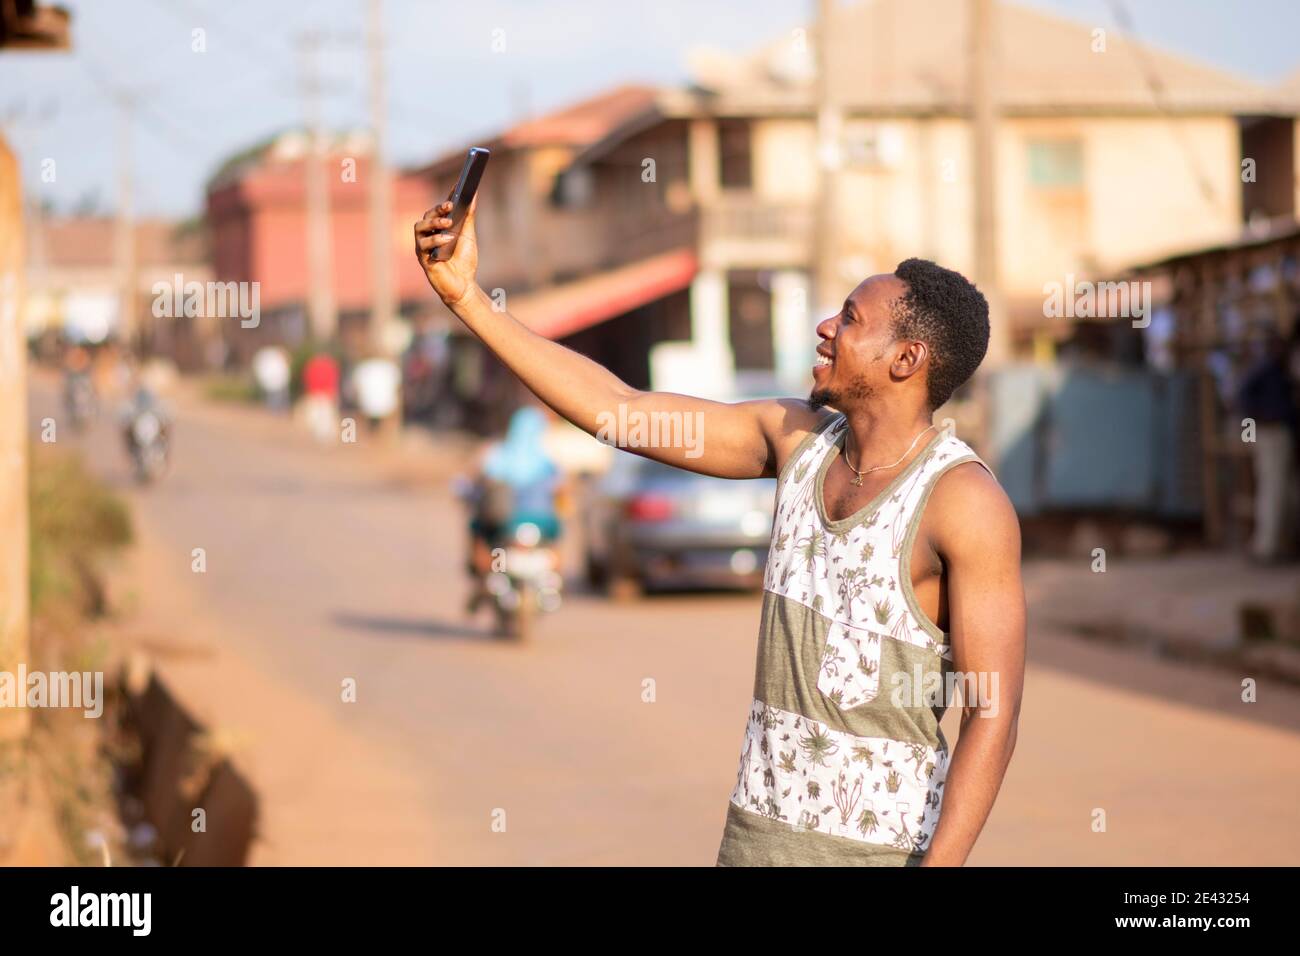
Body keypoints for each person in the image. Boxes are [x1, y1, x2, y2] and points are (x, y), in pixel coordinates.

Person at [415, 197, 1025, 867]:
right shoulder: (797, 443)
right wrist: (466, 298)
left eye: (850, 318)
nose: (825, 327)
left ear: (906, 360)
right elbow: (621, 411)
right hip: (753, 845)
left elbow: (990, 712)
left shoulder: (962, 501)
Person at [464, 405, 562, 611]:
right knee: (556, 537)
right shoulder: (547, 461)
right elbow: (561, 490)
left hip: (504, 522)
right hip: (543, 523)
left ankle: (483, 574)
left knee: (478, 529)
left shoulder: (497, 455)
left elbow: (477, 485)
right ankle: (555, 572)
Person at [1238, 332, 1297, 563]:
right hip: (1270, 434)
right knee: (1272, 490)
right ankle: (1266, 547)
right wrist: (1249, 435)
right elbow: (1243, 400)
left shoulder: (1282, 373)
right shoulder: (1264, 369)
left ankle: (1279, 543)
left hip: (1280, 434)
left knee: (1284, 491)